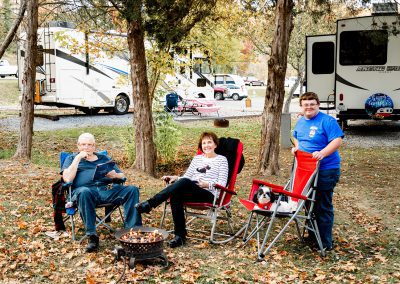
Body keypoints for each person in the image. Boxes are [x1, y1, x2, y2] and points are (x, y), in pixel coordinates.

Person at [135, 132, 229, 248]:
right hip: (191, 187)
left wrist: (207, 185)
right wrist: (176, 178)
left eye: (209, 142)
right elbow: (187, 177)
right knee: (176, 195)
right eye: (204, 143)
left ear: (215, 144)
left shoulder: (222, 160)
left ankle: (150, 204)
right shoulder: (197, 158)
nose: (206, 145)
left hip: (209, 193)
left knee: (183, 184)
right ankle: (180, 236)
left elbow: (222, 183)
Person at [62, 133, 142, 252]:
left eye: (89, 145)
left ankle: (132, 231)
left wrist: (115, 175)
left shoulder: (103, 158)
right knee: (84, 192)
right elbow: (67, 179)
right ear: (78, 146)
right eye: (83, 144)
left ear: (94, 146)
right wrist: (78, 158)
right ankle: (92, 236)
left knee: (132, 189)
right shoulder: (71, 158)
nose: (86, 147)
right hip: (85, 192)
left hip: (106, 190)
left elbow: (122, 175)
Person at [292, 92, 344, 251]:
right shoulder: (301, 121)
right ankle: (312, 237)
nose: (309, 107)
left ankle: (325, 242)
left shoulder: (327, 121)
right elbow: (296, 137)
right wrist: (297, 146)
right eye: (306, 105)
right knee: (308, 203)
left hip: (326, 169)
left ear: (318, 105)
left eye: (312, 104)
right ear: (301, 106)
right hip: (306, 169)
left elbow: (337, 140)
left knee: (322, 205)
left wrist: (323, 153)